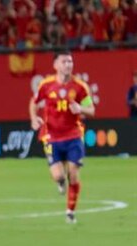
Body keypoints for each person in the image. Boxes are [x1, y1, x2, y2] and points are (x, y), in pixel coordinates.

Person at [29, 51, 95, 224]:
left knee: (73, 173)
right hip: (51, 136)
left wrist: (80, 108)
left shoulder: (80, 87)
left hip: (73, 135)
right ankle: (60, 181)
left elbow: (92, 110)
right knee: (58, 175)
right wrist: (33, 118)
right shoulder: (46, 85)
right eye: (64, 61)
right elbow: (33, 103)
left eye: (70, 61)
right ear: (56, 65)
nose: (68, 65)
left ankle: (70, 211)